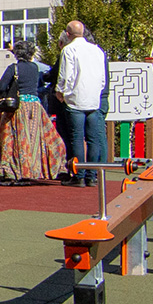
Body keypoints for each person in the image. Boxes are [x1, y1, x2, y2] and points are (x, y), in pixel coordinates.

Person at [0, 41, 67, 184]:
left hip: (18, 107)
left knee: (15, 138)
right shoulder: (34, 68)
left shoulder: (13, 68)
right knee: (35, 139)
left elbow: (1, 86)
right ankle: (37, 169)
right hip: (35, 106)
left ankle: (16, 171)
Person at [55, 21, 109, 187]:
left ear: (68, 34)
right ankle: (91, 176)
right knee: (93, 139)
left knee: (76, 138)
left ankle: (79, 175)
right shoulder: (97, 50)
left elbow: (67, 75)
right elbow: (102, 77)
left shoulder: (69, 49)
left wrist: (61, 91)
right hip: (93, 99)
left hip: (76, 99)